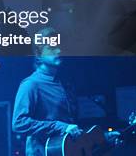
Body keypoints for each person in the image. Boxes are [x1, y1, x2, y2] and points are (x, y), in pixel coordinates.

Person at [12, 27, 120, 156]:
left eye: (58, 46)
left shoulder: (66, 84)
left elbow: (73, 128)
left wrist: (104, 138)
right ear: (39, 55)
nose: (58, 50)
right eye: (51, 48)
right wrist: (60, 126)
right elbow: (18, 123)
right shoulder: (31, 84)